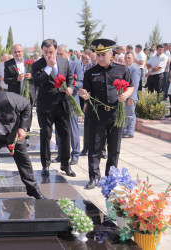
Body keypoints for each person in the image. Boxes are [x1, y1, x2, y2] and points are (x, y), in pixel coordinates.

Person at [78, 38, 134, 189]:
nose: (101, 58)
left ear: (111, 54)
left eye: (104, 55)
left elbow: (131, 86)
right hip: (97, 115)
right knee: (95, 147)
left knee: (114, 149)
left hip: (116, 114)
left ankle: (111, 178)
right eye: (98, 55)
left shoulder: (121, 69)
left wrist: (125, 95)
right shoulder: (91, 72)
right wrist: (83, 95)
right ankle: (94, 178)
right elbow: (86, 93)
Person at [32, 39, 76, 177]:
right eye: (45, 52)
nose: (48, 55)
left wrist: (70, 87)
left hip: (62, 104)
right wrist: (48, 68)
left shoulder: (64, 62)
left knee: (65, 135)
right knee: (46, 136)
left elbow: (70, 79)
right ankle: (45, 165)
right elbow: (37, 82)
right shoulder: (38, 65)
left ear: (56, 50)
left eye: (51, 52)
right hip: (45, 107)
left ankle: (65, 164)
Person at [53, 44, 83, 165]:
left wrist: (72, 87)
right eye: (58, 54)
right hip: (59, 101)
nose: (59, 56)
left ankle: (75, 153)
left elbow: (81, 81)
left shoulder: (75, 65)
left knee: (73, 127)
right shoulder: (56, 66)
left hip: (71, 100)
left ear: (68, 54)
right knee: (59, 129)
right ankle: (61, 153)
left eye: (61, 54)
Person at [123, 52, 141, 138]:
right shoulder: (124, 67)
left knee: (130, 114)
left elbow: (135, 84)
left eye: (129, 58)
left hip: (130, 96)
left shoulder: (135, 69)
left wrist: (131, 97)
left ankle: (130, 132)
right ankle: (124, 130)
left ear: (133, 59)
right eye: (126, 57)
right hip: (124, 95)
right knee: (124, 114)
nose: (127, 59)